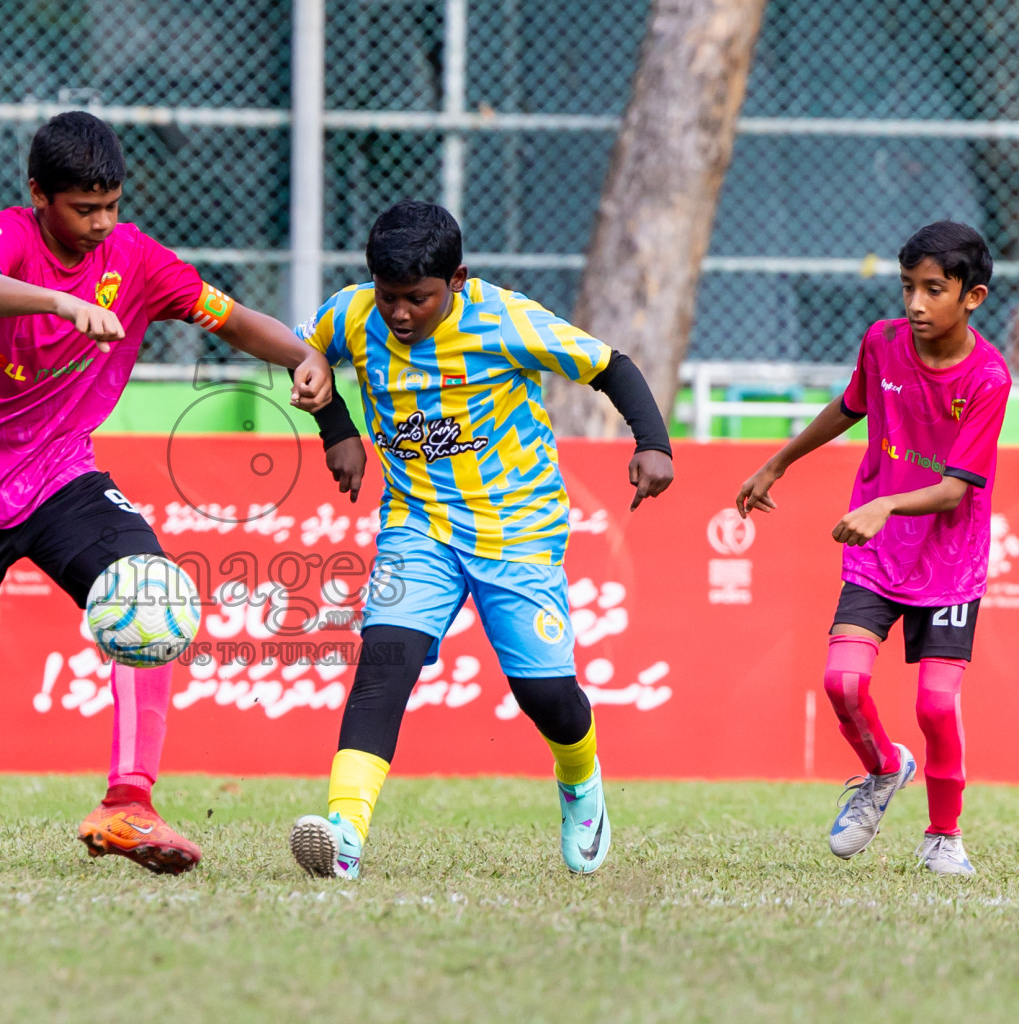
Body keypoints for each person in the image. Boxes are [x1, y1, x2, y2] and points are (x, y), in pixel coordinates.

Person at [0, 111, 334, 872]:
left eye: (112, 205)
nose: (101, 223)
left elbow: (229, 319)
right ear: (39, 195)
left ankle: (128, 803)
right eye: (83, 207)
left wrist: (305, 355)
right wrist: (57, 301)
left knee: (153, 592)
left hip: (61, 476)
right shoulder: (7, 237)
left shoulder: (137, 260)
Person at [285, 201, 674, 878]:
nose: (400, 314)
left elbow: (609, 364)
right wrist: (336, 427)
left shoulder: (505, 321)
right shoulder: (352, 312)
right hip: (417, 527)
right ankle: (344, 835)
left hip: (516, 530)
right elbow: (310, 351)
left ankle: (580, 781)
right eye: (389, 297)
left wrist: (653, 444)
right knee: (383, 666)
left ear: (457, 280)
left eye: (418, 299)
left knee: (546, 697)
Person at [737, 221, 1009, 876]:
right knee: (843, 682)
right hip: (878, 556)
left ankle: (943, 836)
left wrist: (884, 504)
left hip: (949, 564)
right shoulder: (883, 343)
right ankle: (885, 769)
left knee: (936, 704)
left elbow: (952, 493)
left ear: (972, 298)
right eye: (908, 287)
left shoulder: (989, 378)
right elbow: (849, 405)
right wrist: (779, 462)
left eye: (933, 290)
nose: (915, 304)